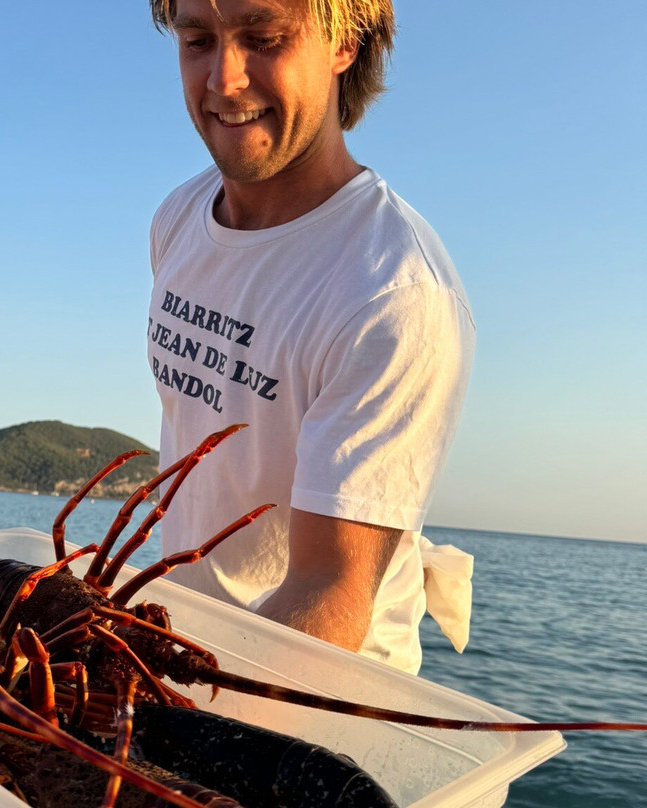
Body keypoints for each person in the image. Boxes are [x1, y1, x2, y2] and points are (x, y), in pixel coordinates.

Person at [145, 0, 475, 674]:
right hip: (180, 651)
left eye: (264, 37)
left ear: (344, 42)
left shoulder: (394, 293)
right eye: (197, 40)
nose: (224, 79)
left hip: (322, 691)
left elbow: (329, 590)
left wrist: (172, 702)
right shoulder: (179, 217)